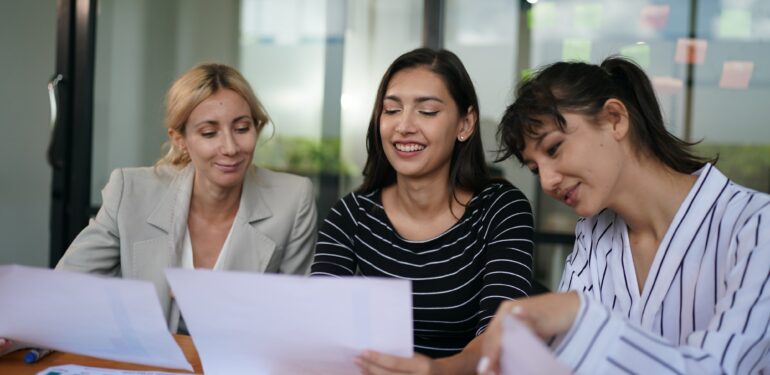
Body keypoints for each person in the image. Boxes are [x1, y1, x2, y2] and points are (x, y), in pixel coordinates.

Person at [478, 57, 770, 375]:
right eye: (535, 169)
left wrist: (580, 315)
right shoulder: (594, 236)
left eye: (553, 149)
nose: (547, 181)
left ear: (615, 119)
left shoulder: (756, 226)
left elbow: (720, 369)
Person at [0, 63, 317, 355]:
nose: (231, 147)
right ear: (180, 139)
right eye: (209, 133)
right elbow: (64, 290)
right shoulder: (132, 190)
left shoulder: (292, 199)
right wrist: (13, 332)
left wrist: (224, 307)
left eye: (242, 128)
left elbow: (298, 320)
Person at [310, 48, 534, 375]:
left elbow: (499, 335)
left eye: (427, 111)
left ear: (465, 123)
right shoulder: (351, 215)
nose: (404, 126)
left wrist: (437, 370)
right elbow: (319, 327)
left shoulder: (500, 209)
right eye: (391, 109)